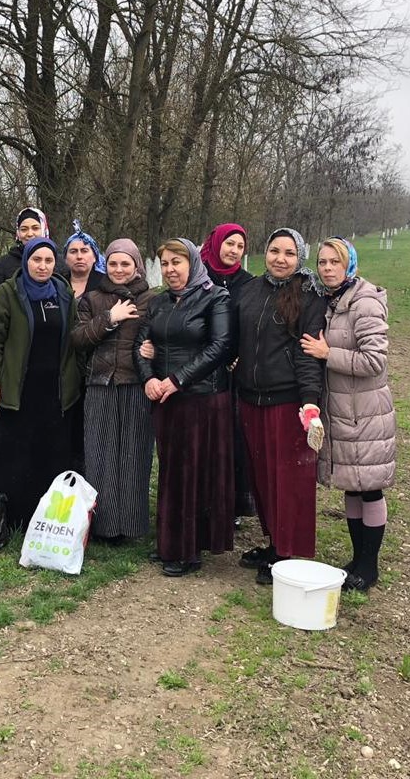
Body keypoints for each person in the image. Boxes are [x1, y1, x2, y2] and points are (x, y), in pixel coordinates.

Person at [132, 239, 233, 575]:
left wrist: (177, 379)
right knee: (171, 471)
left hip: (202, 398)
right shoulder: (159, 302)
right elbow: (142, 344)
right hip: (165, 398)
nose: (171, 269)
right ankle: (169, 542)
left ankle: (189, 550)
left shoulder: (215, 298)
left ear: (192, 263)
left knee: (193, 473)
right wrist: (148, 378)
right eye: (165, 263)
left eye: (177, 262)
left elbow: (219, 346)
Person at [300, 237, 395, 591]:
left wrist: (328, 354)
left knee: (369, 489)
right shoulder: (332, 300)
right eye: (322, 262)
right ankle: (357, 558)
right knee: (352, 487)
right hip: (341, 411)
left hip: (365, 413)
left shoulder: (364, 303)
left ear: (349, 264)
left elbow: (375, 361)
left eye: (335, 262)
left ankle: (369, 566)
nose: (327, 268)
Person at [234, 227, 326, 585]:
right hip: (250, 397)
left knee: (287, 481)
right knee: (262, 477)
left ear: (299, 257)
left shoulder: (308, 295)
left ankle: (286, 552)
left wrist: (309, 403)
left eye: (289, 253)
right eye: (275, 251)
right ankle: (274, 541)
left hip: (286, 401)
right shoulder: (251, 290)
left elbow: (307, 354)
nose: (280, 259)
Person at [0, 237, 81, 528]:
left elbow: (74, 336)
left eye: (49, 260)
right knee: (17, 454)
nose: (42, 266)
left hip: (55, 389)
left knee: (50, 454)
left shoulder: (63, 292)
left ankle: (47, 520)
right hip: (18, 387)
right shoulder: (8, 293)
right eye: (37, 259)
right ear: (26, 261)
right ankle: (13, 519)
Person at [72, 238, 154, 542]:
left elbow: (163, 334)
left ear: (136, 265)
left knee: (134, 455)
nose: (119, 269)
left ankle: (131, 525)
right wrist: (109, 318)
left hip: (136, 383)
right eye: (113, 263)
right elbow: (78, 338)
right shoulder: (92, 299)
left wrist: (155, 349)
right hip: (101, 382)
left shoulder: (151, 300)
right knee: (100, 455)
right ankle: (104, 525)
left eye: (125, 264)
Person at [200, 223, 256, 523]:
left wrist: (240, 355)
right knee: (204, 438)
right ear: (216, 242)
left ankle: (232, 505)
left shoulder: (248, 283)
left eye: (239, 246)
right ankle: (203, 501)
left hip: (234, 372)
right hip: (200, 369)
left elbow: (252, 324)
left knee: (232, 439)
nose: (234, 250)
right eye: (229, 243)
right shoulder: (199, 276)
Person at [0, 206, 50, 294]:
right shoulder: (3, 264)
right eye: (24, 229)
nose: (30, 234)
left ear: (43, 229)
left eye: (35, 228)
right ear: (18, 233)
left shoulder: (57, 262)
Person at [63, 221, 106, 299]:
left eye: (84, 251)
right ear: (65, 258)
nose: (79, 256)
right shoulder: (58, 284)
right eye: (73, 251)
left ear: (95, 257)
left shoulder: (106, 284)